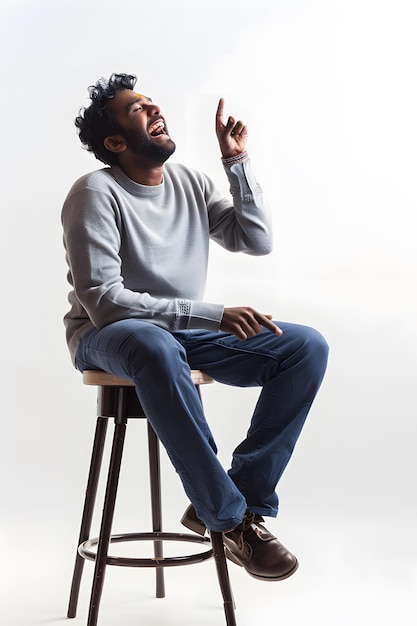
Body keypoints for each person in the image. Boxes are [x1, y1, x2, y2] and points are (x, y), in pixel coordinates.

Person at [62, 72, 329, 582]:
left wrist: (236, 163)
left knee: (305, 348)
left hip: (176, 333)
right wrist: (212, 312)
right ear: (115, 143)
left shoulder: (188, 182)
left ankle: (237, 499)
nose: (151, 106)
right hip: (109, 336)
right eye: (135, 108)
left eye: (149, 100)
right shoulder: (94, 192)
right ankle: (229, 520)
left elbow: (256, 239)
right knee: (154, 345)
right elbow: (105, 301)